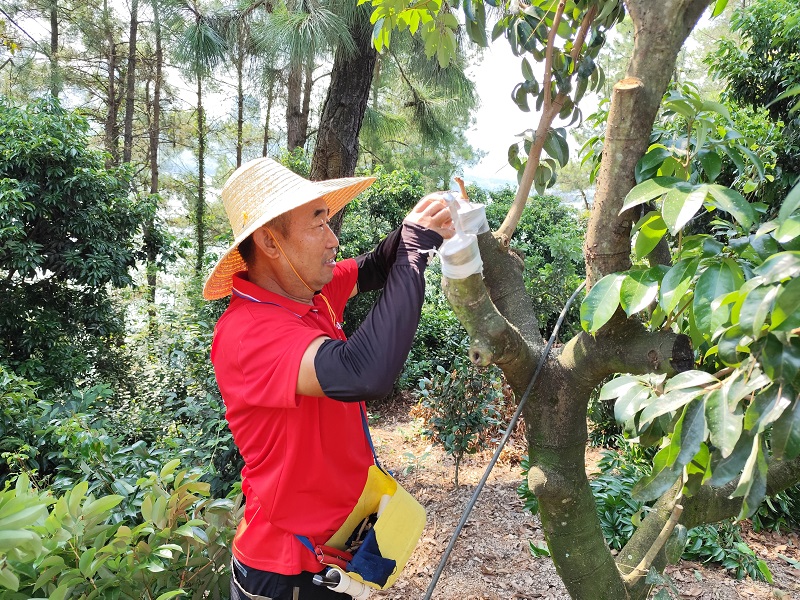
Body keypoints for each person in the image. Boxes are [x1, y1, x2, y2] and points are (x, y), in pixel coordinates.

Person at [203, 157, 454, 600]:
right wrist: (415, 248)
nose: (333, 240)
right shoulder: (249, 334)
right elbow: (365, 372)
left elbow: (374, 266)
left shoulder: (306, 293)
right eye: (318, 224)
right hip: (285, 573)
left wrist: (417, 223)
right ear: (270, 242)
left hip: (334, 551)